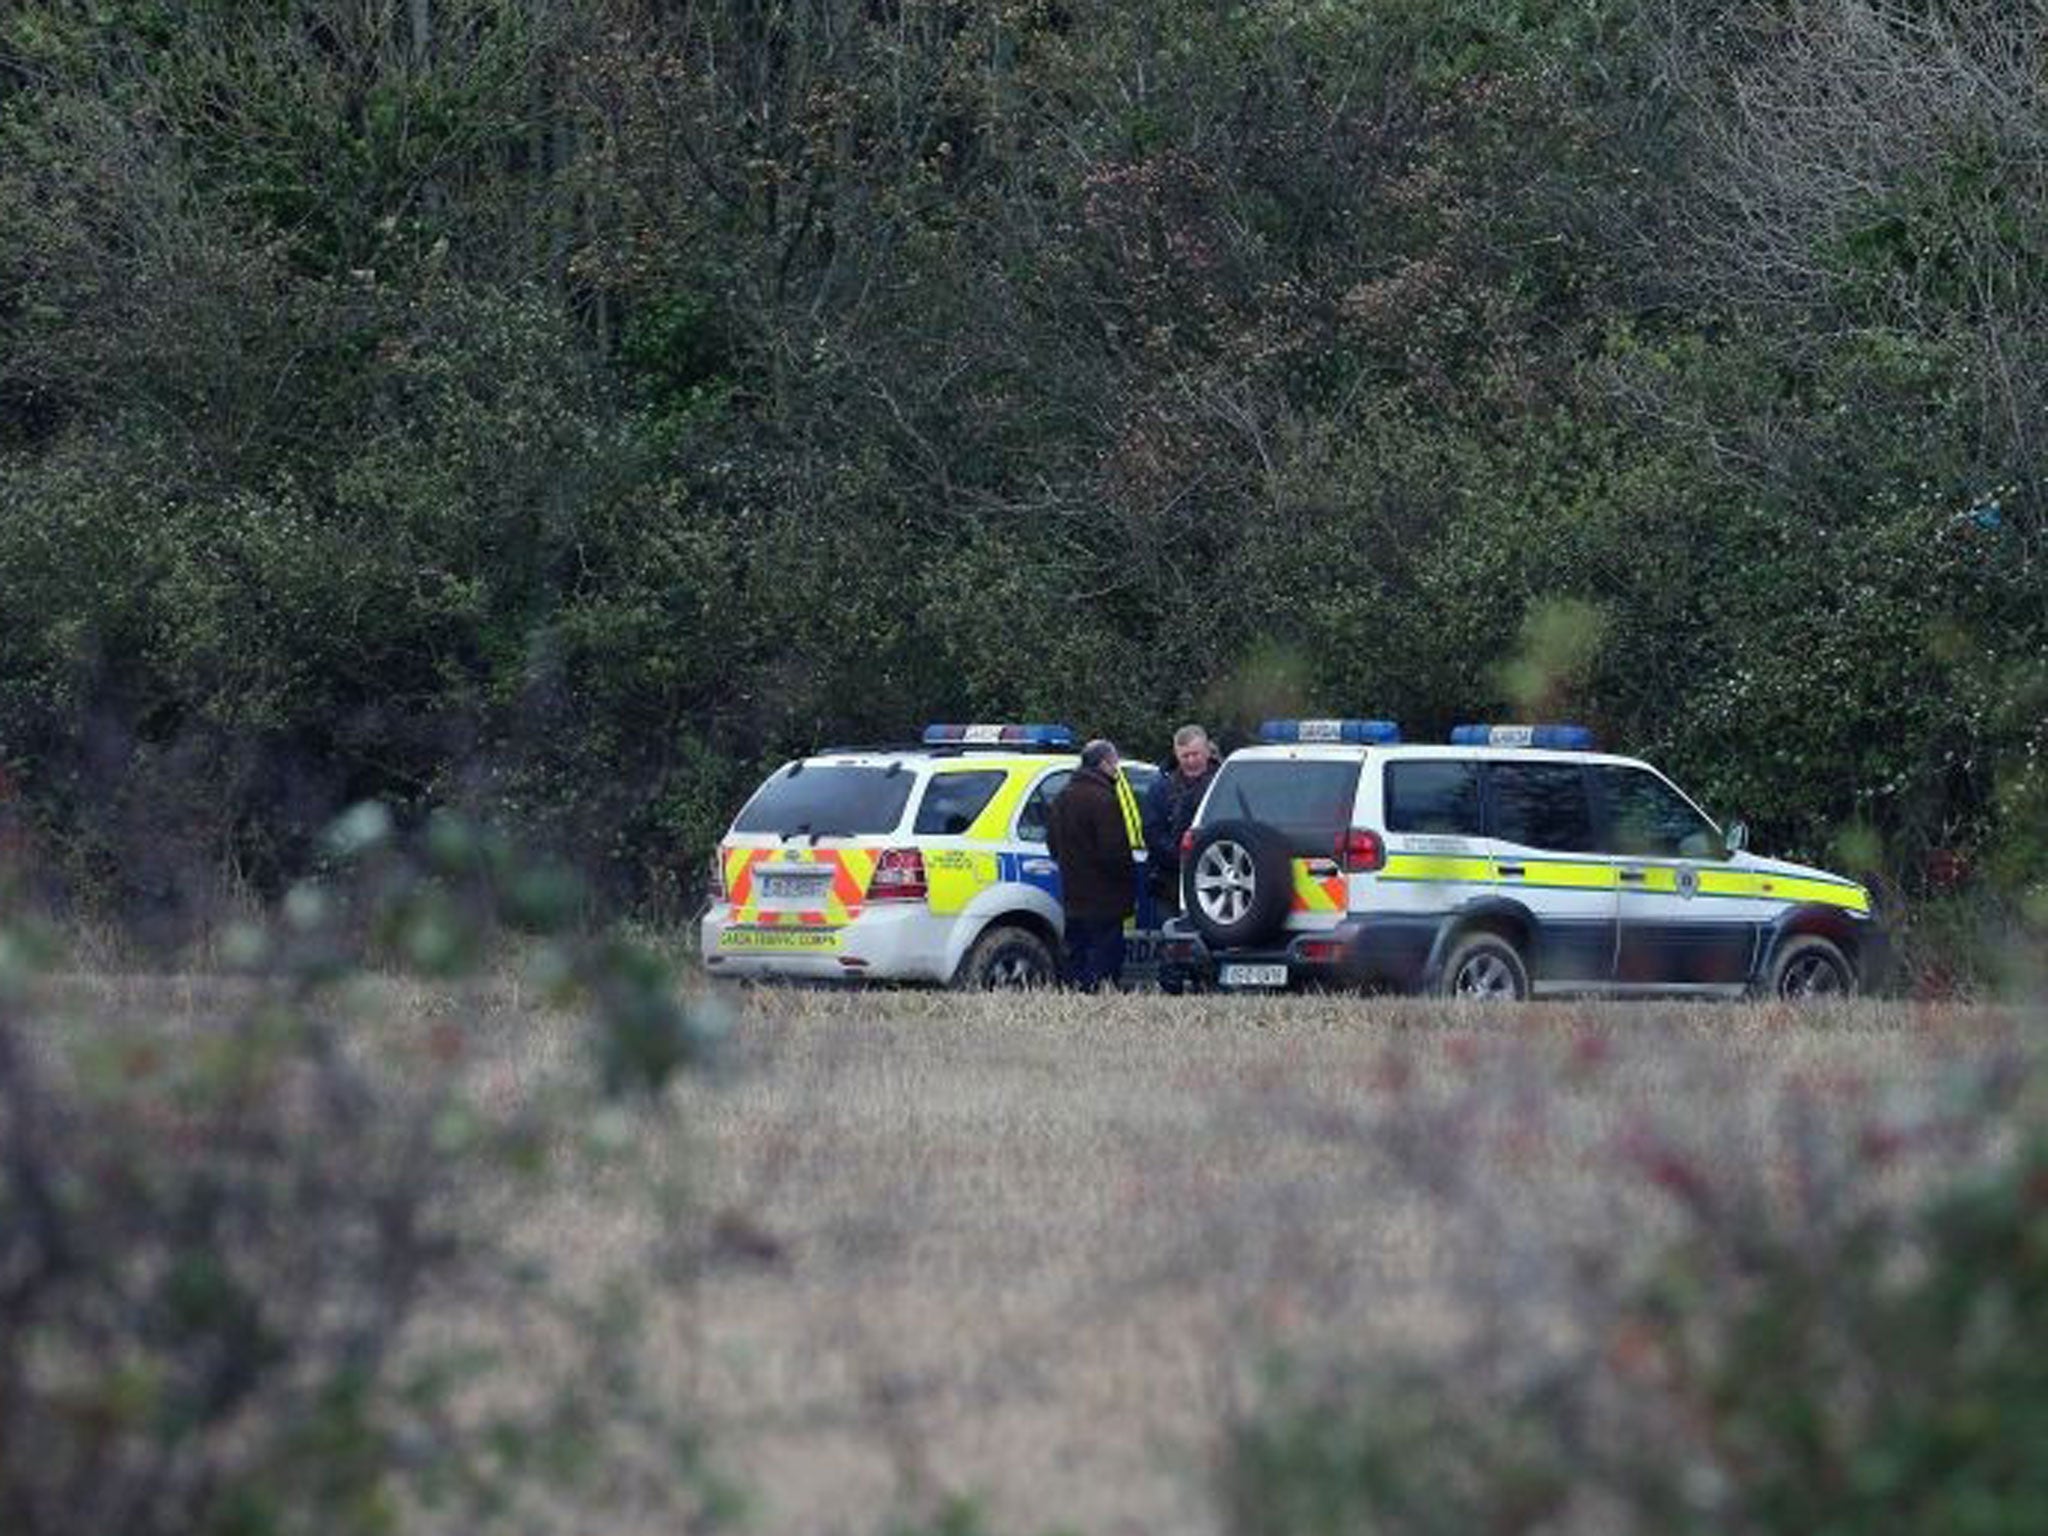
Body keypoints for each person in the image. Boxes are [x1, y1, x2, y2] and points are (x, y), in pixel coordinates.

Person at [1046, 738, 1136, 990]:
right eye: (1114, 762)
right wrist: (1126, 881)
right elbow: (1114, 852)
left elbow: (1052, 843)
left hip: (1073, 895)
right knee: (1104, 961)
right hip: (1105, 898)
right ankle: (1099, 1000)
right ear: (1104, 763)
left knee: (1076, 957)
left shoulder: (1062, 797)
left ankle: (1075, 1000)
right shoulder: (1103, 799)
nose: (1116, 768)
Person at [1142, 723, 1222, 913]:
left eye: (1195, 754)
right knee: (1173, 938)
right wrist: (1180, 857)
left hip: (1217, 880)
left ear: (1207, 751)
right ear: (1176, 755)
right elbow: (1152, 832)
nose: (1191, 761)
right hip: (1170, 882)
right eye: (1185, 756)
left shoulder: (1223, 784)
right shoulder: (1161, 788)